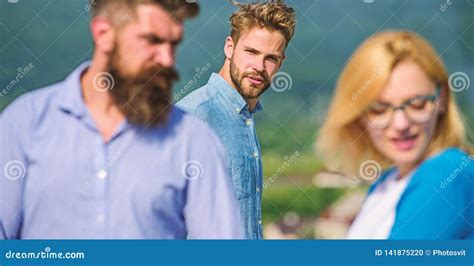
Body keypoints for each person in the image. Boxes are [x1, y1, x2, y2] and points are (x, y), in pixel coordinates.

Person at [0, 0, 245, 239]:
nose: (167, 59)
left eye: (174, 44)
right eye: (153, 40)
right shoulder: (23, 124)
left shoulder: (194, 142)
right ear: (103, 33)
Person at [317, 31, 473, 239]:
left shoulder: (447, 173)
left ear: (442, 98)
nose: (401, 124)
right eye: (379, 110)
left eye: (417, 104)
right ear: (358, 115)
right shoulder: (385, 184)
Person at [177, 0, 296, 239]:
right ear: (229, 47)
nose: (259, 67)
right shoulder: (193, 116)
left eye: (270, 58)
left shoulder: (245, 119)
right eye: (251, 52)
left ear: (281, 62)